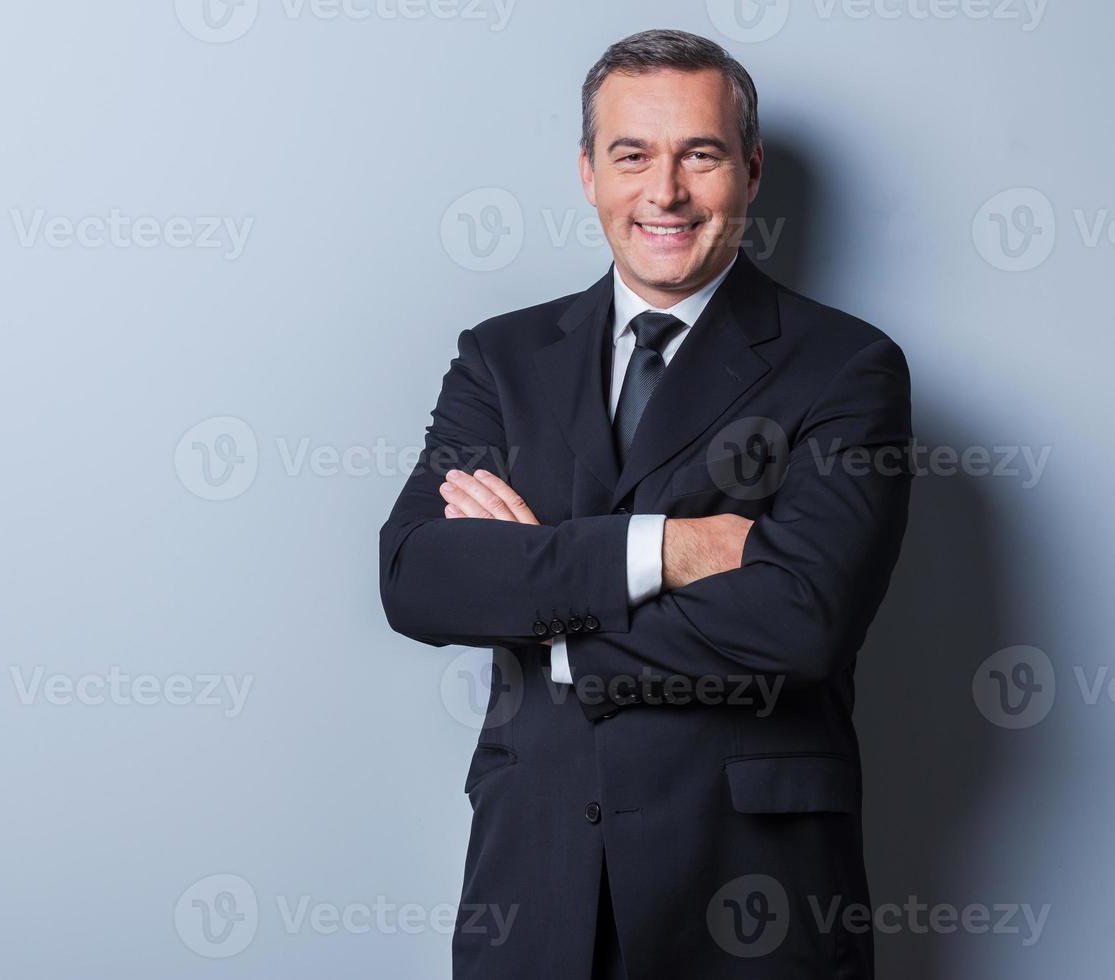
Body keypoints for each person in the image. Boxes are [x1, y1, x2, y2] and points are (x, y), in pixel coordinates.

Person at [379, 28, 913, 979]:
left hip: (751, 895)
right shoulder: (501, 360)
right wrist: (669, 549)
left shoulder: (847, 367)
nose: (663, 193)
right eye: (631, 155)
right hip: (533, 880)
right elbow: (417, 579)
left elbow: (801, 622)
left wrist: (540, 611)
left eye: (698, 155)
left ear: (747, 170)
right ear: (587, 172)